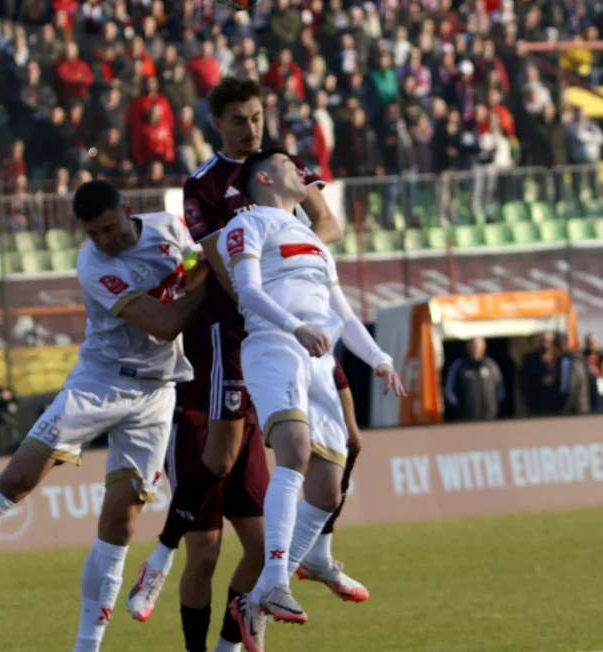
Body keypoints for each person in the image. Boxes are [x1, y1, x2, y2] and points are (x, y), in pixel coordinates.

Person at [0, 180, 208, 652]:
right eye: (94, 234)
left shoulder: (169, 227)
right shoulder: (93, 267)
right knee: (19, 477)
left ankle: (86, 647)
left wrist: (200, 269)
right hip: (100, 381)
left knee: (122, 522)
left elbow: (190, 274)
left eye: (109, 228)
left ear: (127, 211)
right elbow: (168, 322)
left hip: (156, 393)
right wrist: (216, 278)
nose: (104, 241)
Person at [127, 77, 360, 652]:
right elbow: (219, 265)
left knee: (351, 439)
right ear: (218, 124)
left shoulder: (283, 165)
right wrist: (270, 309)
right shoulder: (203, 185)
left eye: (256, 116)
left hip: (304, 321)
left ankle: (316, 556)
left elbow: (328, 225)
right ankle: (161, 558)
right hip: (239, 330)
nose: (250, 128)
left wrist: (292, 245)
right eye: (238, 120)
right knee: (226, 453)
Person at [216, 148, 405, 652]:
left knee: (326, 488)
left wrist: (380, 358)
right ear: (264, 177)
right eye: (289, 165)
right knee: (295, 451)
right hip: (277, 344)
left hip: (319, 358)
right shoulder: (249, 223)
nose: (303, 172)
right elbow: (248, 291)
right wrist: (294, 327)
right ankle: (276, 578)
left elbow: (341, 313)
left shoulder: (313, 240)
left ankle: (253, 602)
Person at [443, 336, 505, 421]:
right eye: (473, 346)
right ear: (467, 346)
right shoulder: (459, 366)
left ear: (484, 346)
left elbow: (500, 389)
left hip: (490, 418)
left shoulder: (491, 365)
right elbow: (449, 392)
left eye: (478, 346)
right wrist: (460, 409)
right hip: (466, 420)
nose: (476, 349)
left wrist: (494, 408)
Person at [519, 331, 565, 416]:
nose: (546, 344)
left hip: (558, 406)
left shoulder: (561, 360)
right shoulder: (531, 360)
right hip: (538, 406)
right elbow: (524, 382)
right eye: (543, 340)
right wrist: (540, 381)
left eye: (549, 341)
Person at [583, 334, 603, 413]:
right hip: (588, 392)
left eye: (594, 342)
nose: (592, 344)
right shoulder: (583, 359)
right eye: (590, 342)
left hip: (602, 390)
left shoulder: (602, 358)